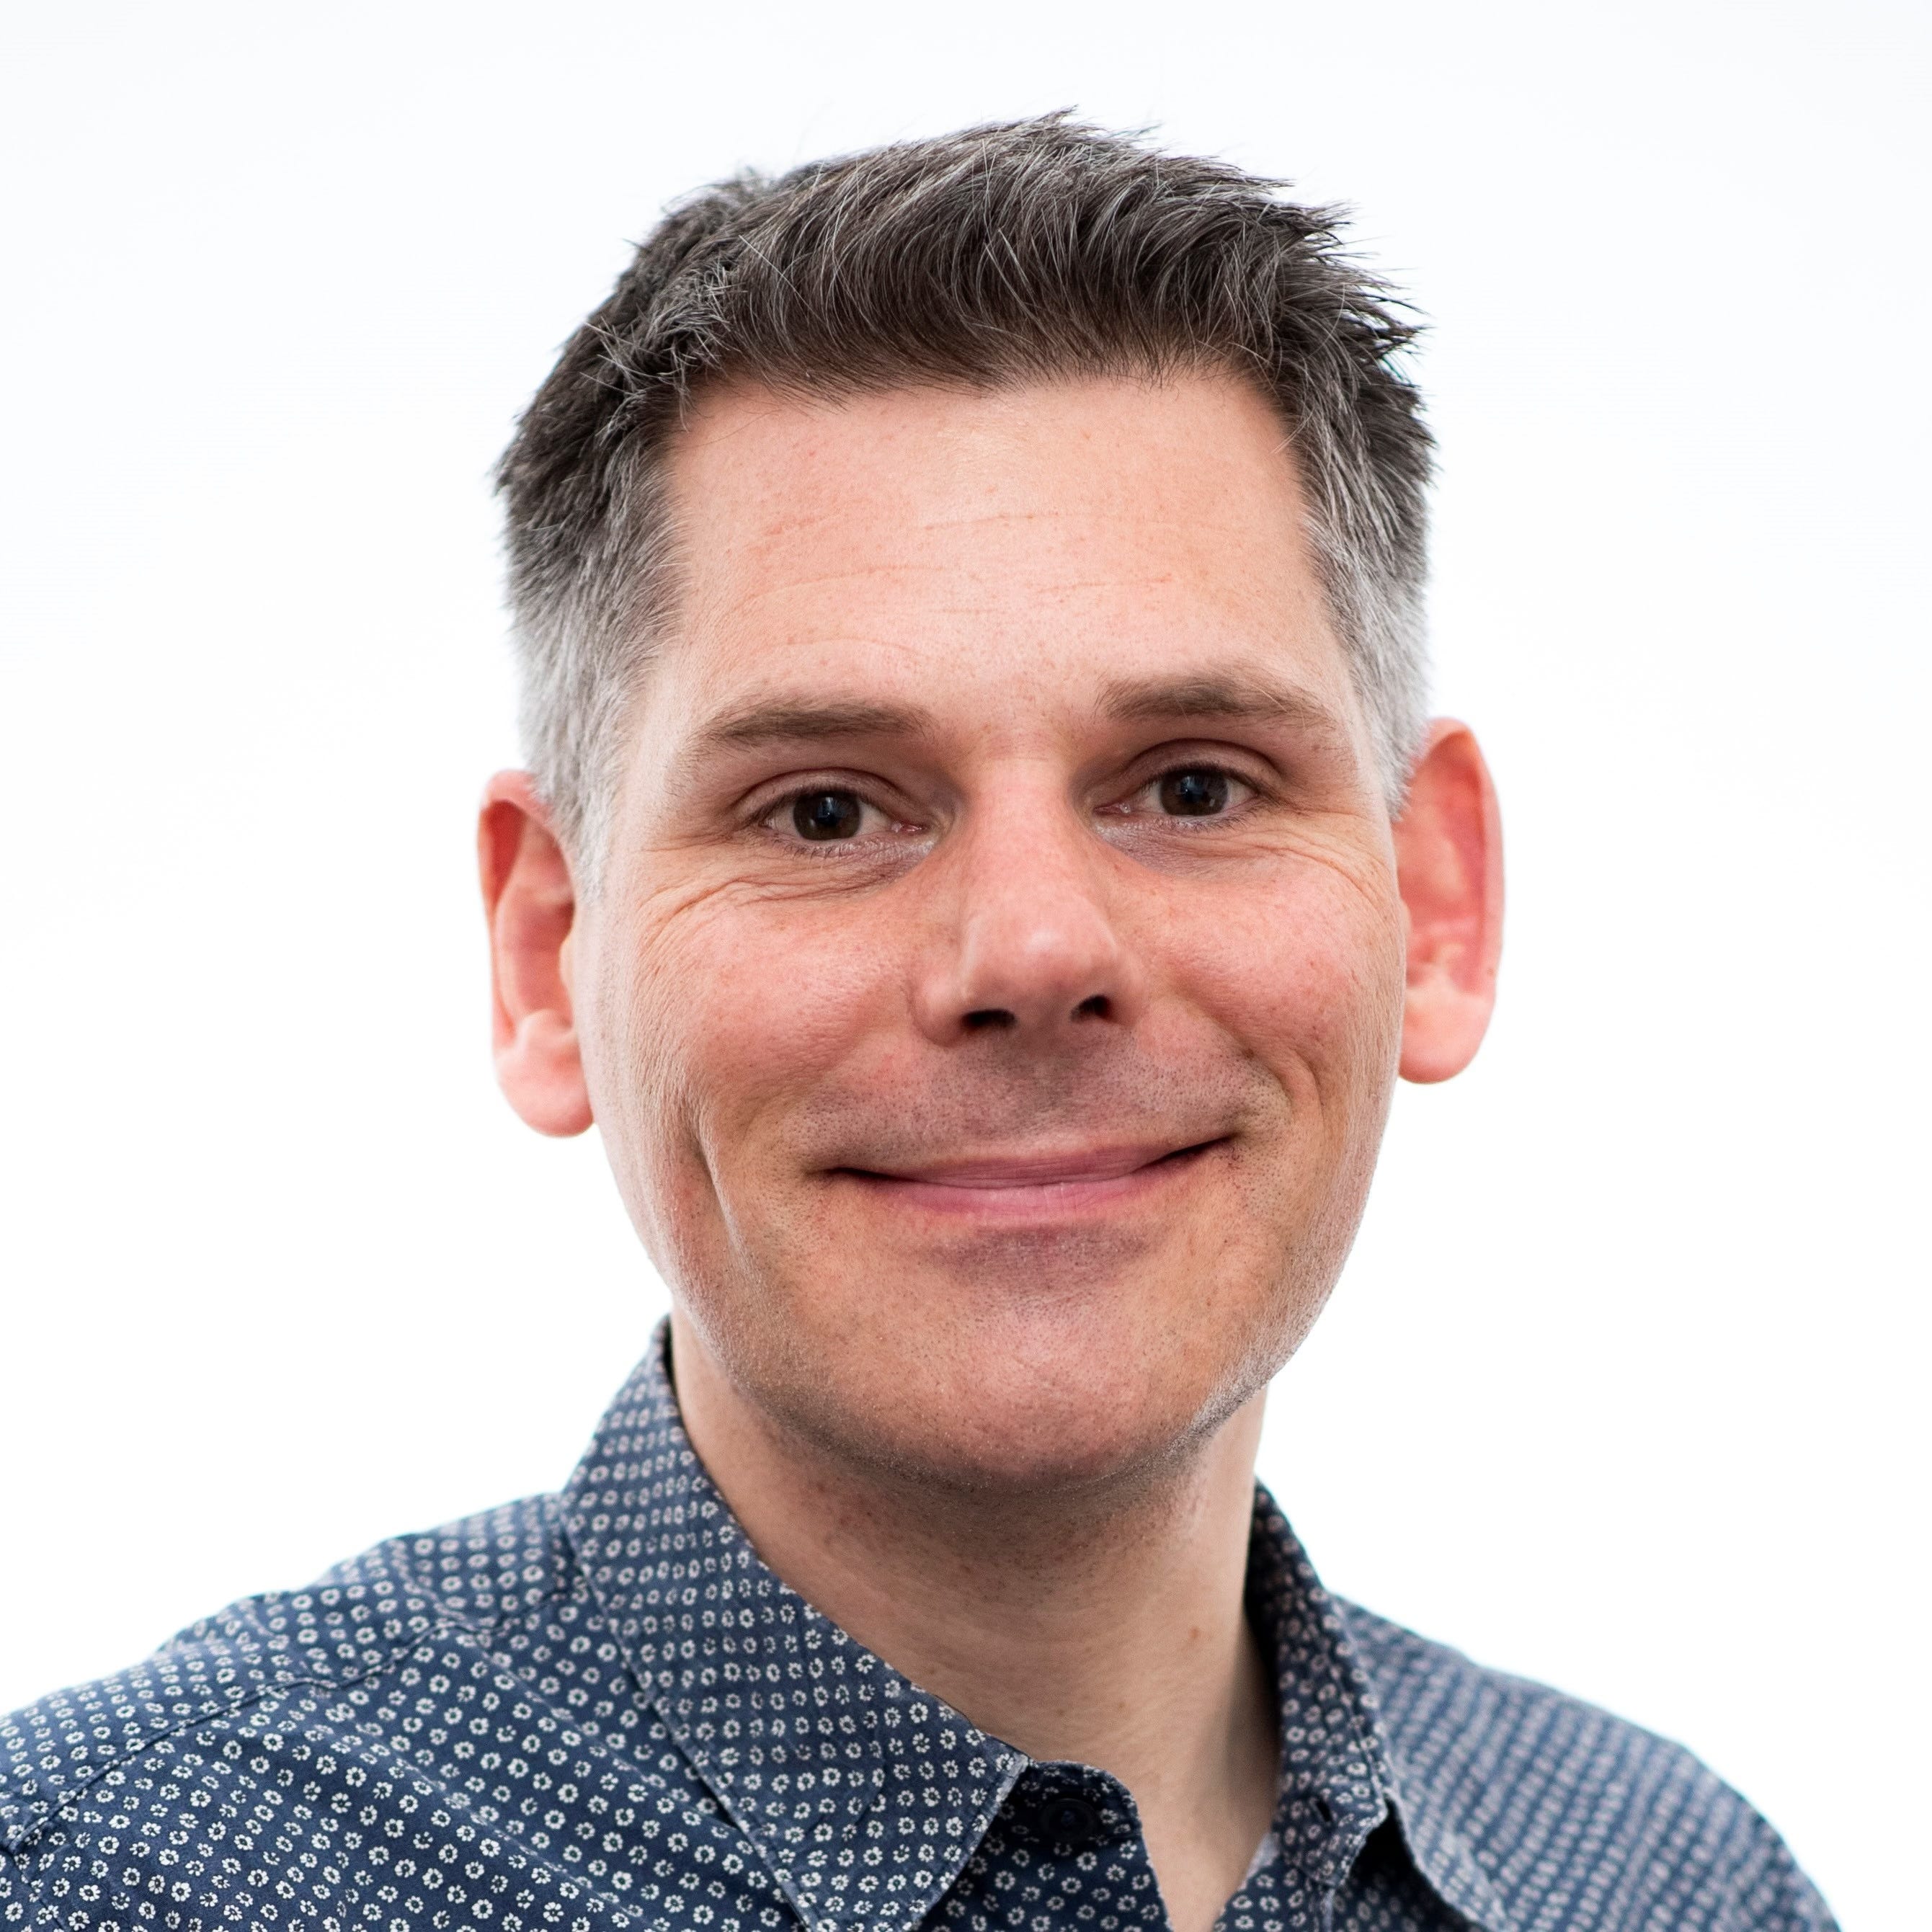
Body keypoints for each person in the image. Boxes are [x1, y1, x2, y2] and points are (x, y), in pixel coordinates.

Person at [0, 116, 1835, 1932]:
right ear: (548, 953)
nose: (1032, 950)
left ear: (1435, 907)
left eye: (1193, 786)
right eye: (825, 811)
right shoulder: (111, 1883)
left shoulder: (1675, 1883)